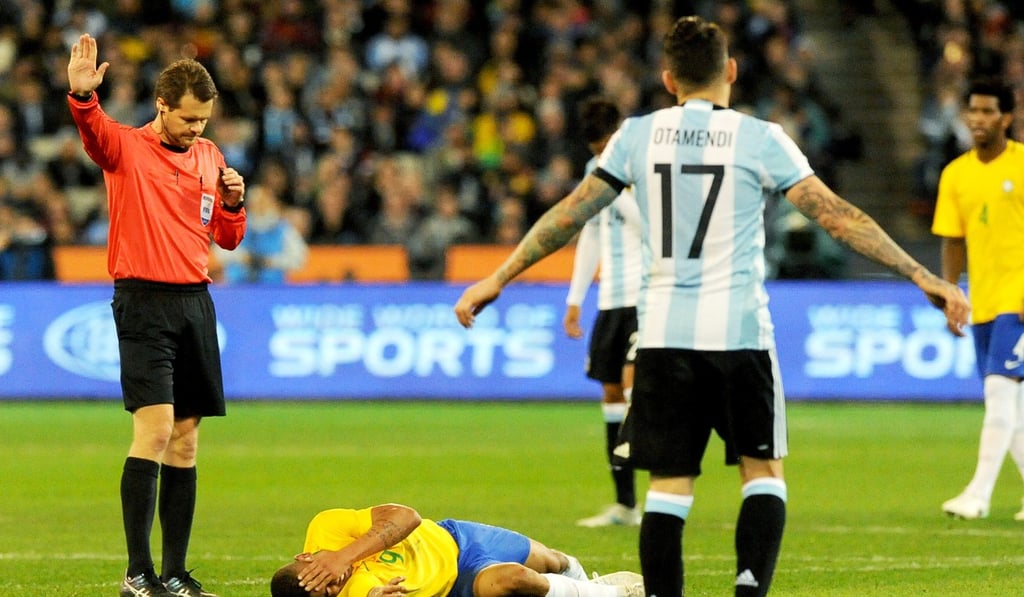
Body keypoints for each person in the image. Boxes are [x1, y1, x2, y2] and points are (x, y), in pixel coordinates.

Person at [454, 15, 970, 597]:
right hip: (741, 334)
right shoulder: (762, 138)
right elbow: (837, 215)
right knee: (763, 475)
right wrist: (922, 275)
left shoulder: (635, 136)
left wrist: (497, 277)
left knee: (669, 488)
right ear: (730, 69)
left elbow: (570, 214)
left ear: (668, 78)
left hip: (664, 337)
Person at [67, 33, 246, 597]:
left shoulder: (210, 156)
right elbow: (93, 134)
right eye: (189, 119)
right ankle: (137, 574)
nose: (198, 129)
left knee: (187, 441)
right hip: (143, 299)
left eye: (205, 120)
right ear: (162, 106)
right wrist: (82, 98)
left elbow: (226, 237)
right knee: (156, 430)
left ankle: (174, 574)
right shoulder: (125, 148)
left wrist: (236, 205)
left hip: (195, 301)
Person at [932, 76, 1024, 522]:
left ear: (1007, 116)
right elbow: (952, 239)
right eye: (974, 110)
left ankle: (979, 494)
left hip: (1019, 300)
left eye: (989, 111)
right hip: (984, 299)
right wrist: (951, 291)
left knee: (999, 393)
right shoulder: (956, 174)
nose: (979, 119)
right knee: (1012, 406)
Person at [269, 502, 644, 597]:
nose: (334, 581)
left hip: (456, 539)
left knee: (554, 560)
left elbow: (406, 517)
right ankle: (611, 593)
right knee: (515, 580)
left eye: (322, 574)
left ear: (306, 557)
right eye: (329, 590)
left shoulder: (326, 526)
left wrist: (343, 556)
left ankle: (579, 580)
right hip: (457, 583)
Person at [563, 98, 642, 528]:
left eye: (604, 146)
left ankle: (669, 487)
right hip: (610, 300)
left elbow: (654, 227)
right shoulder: (595, 174)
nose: (599, 155)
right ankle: (627, 504)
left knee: (633, 389)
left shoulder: (644, 170)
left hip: (646, 296)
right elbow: (589, 236)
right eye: (593, 149)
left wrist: (614, 185)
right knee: (611, 395)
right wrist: (576, 298)